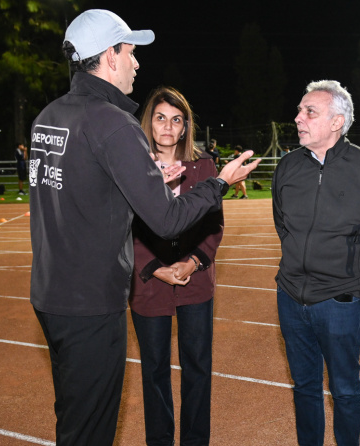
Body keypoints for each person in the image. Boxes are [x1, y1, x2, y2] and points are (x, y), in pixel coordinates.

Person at [27, 9, 258, 445]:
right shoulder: (113, 123)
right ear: (109, 56)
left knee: (73, 416)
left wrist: (143, 184)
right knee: (91, 429)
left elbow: (82, 195)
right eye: (131, 53)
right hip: (90, 304)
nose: (137, 63)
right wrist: (219, 183)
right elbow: (168, 221)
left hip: (50, 295)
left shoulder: (48, 117)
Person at [272, 80, 360, 445]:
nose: (298, 118)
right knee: (305, 387)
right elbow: (282, 224)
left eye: (309, 111)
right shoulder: (286, 167)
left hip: (341, 301)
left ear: (336, 122)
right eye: (300, 110)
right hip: (291, 297)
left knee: (344, 388)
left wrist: (355, 275)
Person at [130, 86, 223, 445]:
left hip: (195, 281)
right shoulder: (132, 166)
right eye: (160, 118)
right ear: (149, 122)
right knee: (154, 370)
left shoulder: (204, 165)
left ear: (185, 127)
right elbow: (125, 226)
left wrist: (193, 261)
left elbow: (214, 224)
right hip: (148, 282)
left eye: (176, 120)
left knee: (197, 368)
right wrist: (154, 266)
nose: (167, 126)